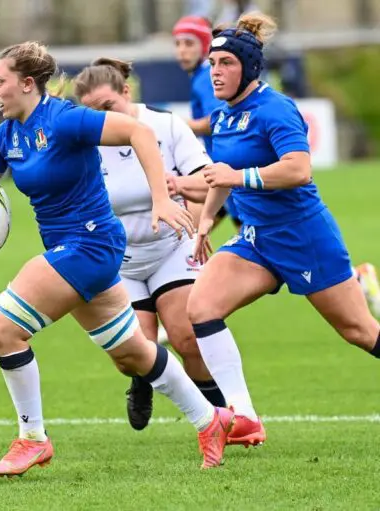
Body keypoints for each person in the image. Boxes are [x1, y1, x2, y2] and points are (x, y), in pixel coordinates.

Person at [0, 41, 235, 476]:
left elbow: (138, 133)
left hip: (91, 245)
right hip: (69, 251)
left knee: (1, 329)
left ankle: (32, 439)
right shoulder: (5, 136)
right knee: (133, 353)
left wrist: (160, 197)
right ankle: (209, 419)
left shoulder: (64, 120)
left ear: (27, 84)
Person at [188, 12, 380, 448]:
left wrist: (237, 180)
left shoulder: (275, 109)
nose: (216, 73)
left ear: (250, 69)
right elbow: (222, 174)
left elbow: (298, 169)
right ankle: (245, 417)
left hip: (302, 236)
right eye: (212, 65)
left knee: (358, 331)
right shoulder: (223, 116)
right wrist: (204, 222)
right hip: (258, 238)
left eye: (226, 65)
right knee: (201, 307)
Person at [73, 57, 228, 432]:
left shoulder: (165, 125)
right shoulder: (82, 139)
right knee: (132, 354)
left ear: (127, 92)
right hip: (119, 259)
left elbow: (206, 181)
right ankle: (141, 383)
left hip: (171, 249)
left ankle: (226, 420)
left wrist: (191, 215)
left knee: (186, 337)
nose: (103, 119)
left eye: (109, 107)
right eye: (93, 113)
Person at [172, 15, 242, 231]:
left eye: (189, 43)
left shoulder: (206, 77)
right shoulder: (201, 76)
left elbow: (219, 120)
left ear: (204, 46)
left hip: (229, 171)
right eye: (178, 44)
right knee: (188, 236)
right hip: (221, 171)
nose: (182, 50)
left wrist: (180, 125)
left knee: (258, 246)